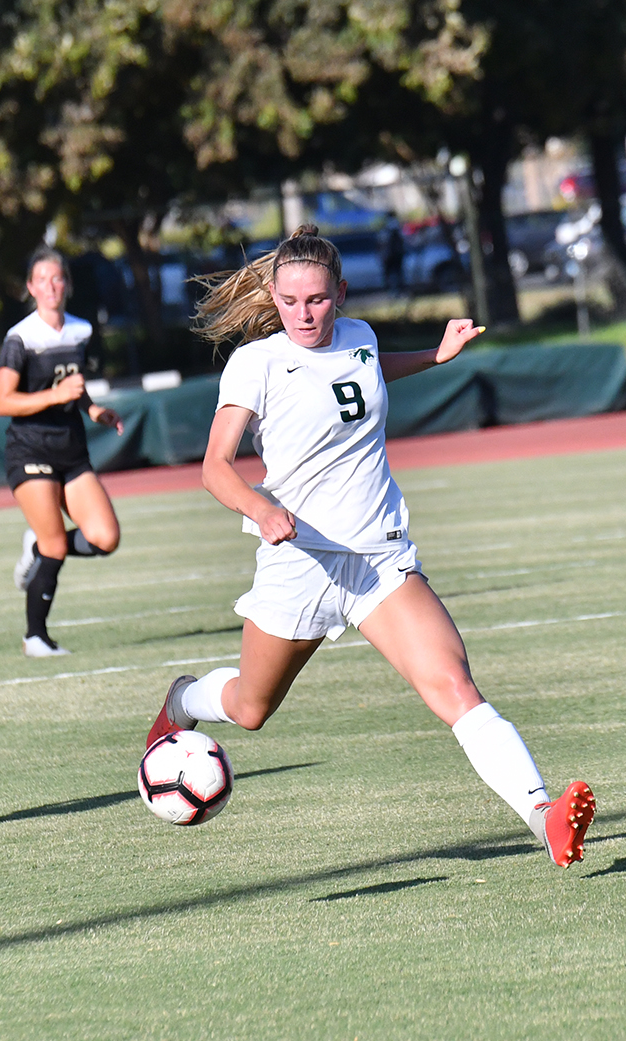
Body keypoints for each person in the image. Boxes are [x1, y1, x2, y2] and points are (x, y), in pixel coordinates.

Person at [145, 226, 596, 865]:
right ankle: (183, 700)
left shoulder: (360, 335)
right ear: (273, 295)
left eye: (318, 300)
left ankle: (543, 816)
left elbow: (362, 371)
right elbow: (215, 467)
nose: (304, 314)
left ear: (341, 292)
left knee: (454, 684)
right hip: (300, 560)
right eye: (290, 301)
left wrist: (435, 356)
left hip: (379, 559)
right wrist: (261, 507)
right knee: (250, 707)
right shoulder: (257, 363)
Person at [0, 247, 123, 658]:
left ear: (67, 284)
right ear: (30, 288)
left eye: (57, 278)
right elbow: (2, 402)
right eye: (42, 280)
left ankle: (37, 546)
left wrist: (93, 409)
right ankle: (36, 638)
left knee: (105, 537)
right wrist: (56, 395)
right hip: (30, 448)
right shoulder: (21, 337)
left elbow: (73, 386)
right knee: (55, 548)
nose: (51, 286)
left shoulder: (81, 330)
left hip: (71, 450)